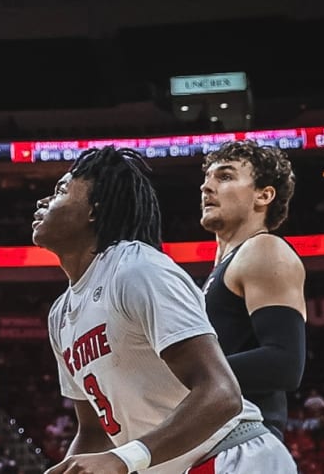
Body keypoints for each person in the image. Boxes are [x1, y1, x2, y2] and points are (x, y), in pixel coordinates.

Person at [33, 147, 295, 474]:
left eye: (60, 191)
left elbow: (223, 392)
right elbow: (95, 432)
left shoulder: (137, 270)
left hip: (231, 456)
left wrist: (124, 459)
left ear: (93, 210)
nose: (44, 201)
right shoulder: (60, 315)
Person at [200, 139, 306, 440]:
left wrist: (184, 377)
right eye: (207, 179)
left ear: (264, 195)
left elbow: (284, 363)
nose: (206, 188)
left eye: (225, 176)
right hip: (218, 443)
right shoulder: (220, 271)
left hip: (247, 443)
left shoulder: (264, 248)